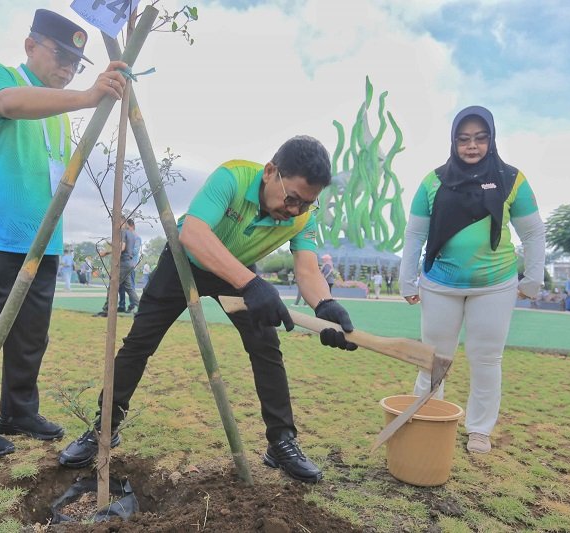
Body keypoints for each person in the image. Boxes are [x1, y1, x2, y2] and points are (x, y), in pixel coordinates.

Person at [59, 136, 358, 483]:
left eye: (306, 204)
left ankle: (281, 441)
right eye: (291, 198)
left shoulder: (303, 216)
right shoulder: (232, 178)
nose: (294, 210)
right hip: (184, 263)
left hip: (237, 270)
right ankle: (103, 429)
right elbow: (195, 234)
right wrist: (251, 284)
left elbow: (307, 270)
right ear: (270, 172)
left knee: (266, 347)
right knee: (138, 344)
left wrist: (325, 304)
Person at [0, 8, 128, 457]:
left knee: (30, 335)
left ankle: (19, 410)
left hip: (43, 242)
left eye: (75, 64)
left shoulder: (61, 113)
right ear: (30, 46)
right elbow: (8, 104)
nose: (67, 69)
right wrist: (87, 95)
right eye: (60, 55)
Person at [398, 106, 545, 455]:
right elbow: (414, 234)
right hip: (440, 284)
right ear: (453, 141)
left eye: (480, 138)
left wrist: (534, 278)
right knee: (434, 358)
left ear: (491, 139)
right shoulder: (432, 181)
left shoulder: (513, 180)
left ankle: (479, 429)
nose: (472, 146)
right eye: (463, 139)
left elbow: (533, 232)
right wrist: (407, 279)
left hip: (495, 285)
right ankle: (427, 415)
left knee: (487, 358)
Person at [95, 219, 140, 317]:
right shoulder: (132, 234)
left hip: (123, 264)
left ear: (123, 222)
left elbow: (122, 247)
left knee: (112, 286)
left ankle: (106, 310)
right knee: (129, 288)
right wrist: (112, 244)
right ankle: (142, 308)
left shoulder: (123, 232)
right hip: (130, 263)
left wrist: (106, 252)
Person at [118, 219, 142, 312]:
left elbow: (135, 250)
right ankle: (122, 305)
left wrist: (127, 249)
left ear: (131, 225)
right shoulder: (126, 235)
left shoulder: (136, 237)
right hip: (124, 263)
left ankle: (132, 305)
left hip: (130, 264)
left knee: (130, 286)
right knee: (122, 287)